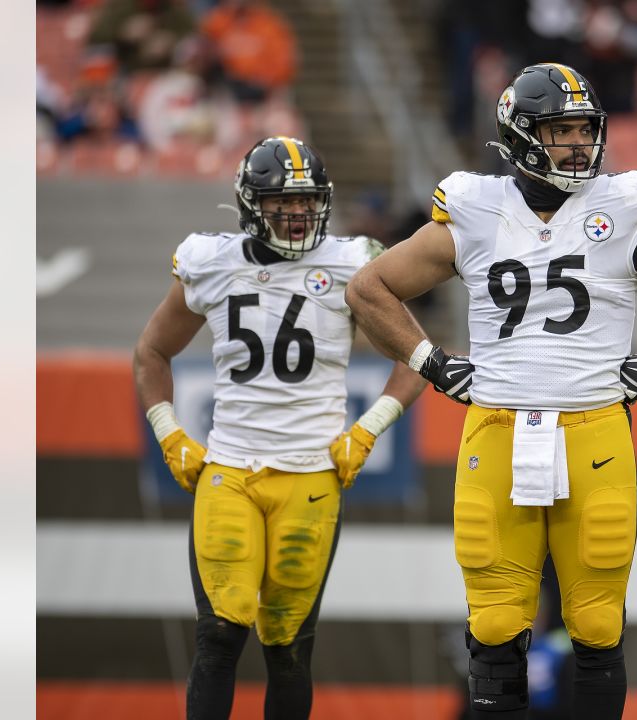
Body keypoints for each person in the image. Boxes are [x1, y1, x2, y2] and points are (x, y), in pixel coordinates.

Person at [345, 63, 637, 720]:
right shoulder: (475, 207)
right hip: (499, 423)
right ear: (520, 135)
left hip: (594, 425)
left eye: (584, 130)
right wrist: (431, 362)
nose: (578, 144)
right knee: (494, 623)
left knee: (597, 624)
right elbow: (368, 289)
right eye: (560, 131)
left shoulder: (626, 204)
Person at [132, 136, 426, 720]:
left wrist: (368, 429)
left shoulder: (352, 263)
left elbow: (415, 357)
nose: (297, 212)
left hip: (310, 478)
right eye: (281, 201)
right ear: (248, 202)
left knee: (288, 648)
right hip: (230, 472)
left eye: (308, 200)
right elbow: (150, 355)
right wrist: (168, 431)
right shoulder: (209, 261)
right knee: (218, 637)